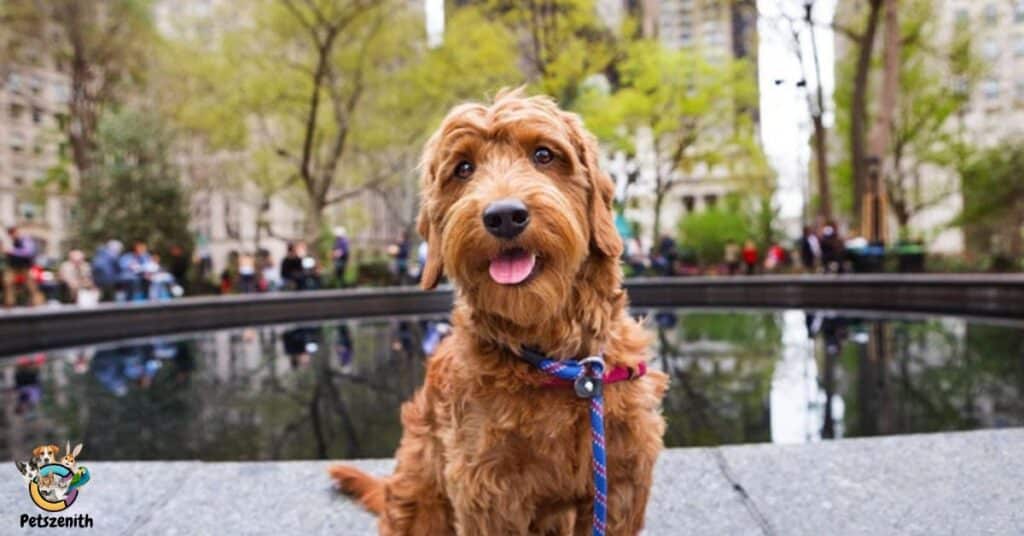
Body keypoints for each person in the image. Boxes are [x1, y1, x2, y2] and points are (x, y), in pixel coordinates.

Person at [3, 227, 42, 307]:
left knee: (31, 285)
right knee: (7, 283)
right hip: (13, 266)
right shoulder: (10, 241)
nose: (12, 236)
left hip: (25, 267)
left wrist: (12, 251)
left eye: (13, 234)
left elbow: (28, 252)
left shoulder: (25, 239)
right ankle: (9, 303)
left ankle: (37, 302)